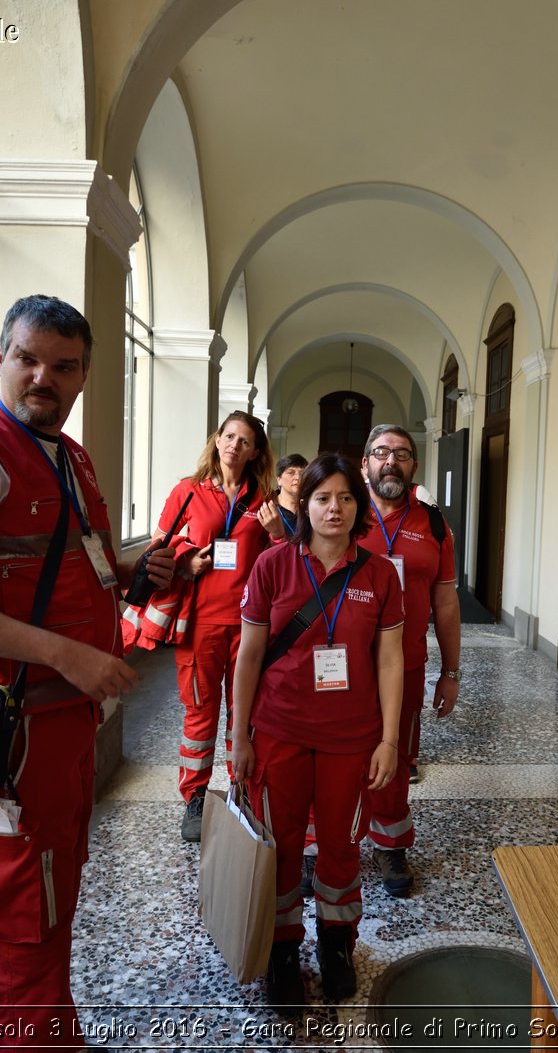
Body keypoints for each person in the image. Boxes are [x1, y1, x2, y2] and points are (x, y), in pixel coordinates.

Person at [0, 295, 175, 1048]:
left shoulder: (67, 455)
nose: (42, 377)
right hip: (10, 732)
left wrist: (123, 567)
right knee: (21, 911)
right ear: (0, 357)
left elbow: (47, 569)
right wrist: (64, 652)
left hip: (63, 723)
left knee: (50, 900)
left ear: (83, 375)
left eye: (63, 365)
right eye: (28, 359)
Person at [231, 452, 404, 1010]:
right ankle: (283, 951)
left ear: (360, 506)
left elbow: (391, 661)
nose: (336, 508)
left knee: (340, 847)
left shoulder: (379, 574)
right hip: (279, 731)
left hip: (351, 738)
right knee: (280, 848)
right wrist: (239, 736)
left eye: (347, 497)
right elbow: (249, 656)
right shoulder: (273, 566)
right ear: (303, 504)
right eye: (323, 498)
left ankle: (336, 946)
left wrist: (389, 740)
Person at [155, 410, 275, 841]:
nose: (234, 446)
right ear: (216, 440)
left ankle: (242, 791)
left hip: (248, 625)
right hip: (201, 622)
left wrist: (280, 533)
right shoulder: (187, 492)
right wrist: (185, 559)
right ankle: (195, 798)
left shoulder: (264, 500)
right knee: (199, 713)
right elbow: (158, 549)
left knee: (243, 715)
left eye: (244, 441)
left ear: (255, 452)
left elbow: (283, 562)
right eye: (228, 437)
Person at [354, 424, 461, 896]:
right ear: (365, 465)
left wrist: (451, 672)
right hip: (344, 666)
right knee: (334, 754)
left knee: (396, 755)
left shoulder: (434, 524)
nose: (390, 461)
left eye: (401, 453)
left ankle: (390, 844)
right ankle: (323, 846)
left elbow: (447, 604)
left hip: (409, 665)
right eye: (380, 452)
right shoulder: (343, 512)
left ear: (414, 465)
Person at [259, 452, 308, 542]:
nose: (297, 477)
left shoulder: (309, 509)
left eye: (302, 473)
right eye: (291, 473)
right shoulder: (267, 506)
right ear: (279, 480)